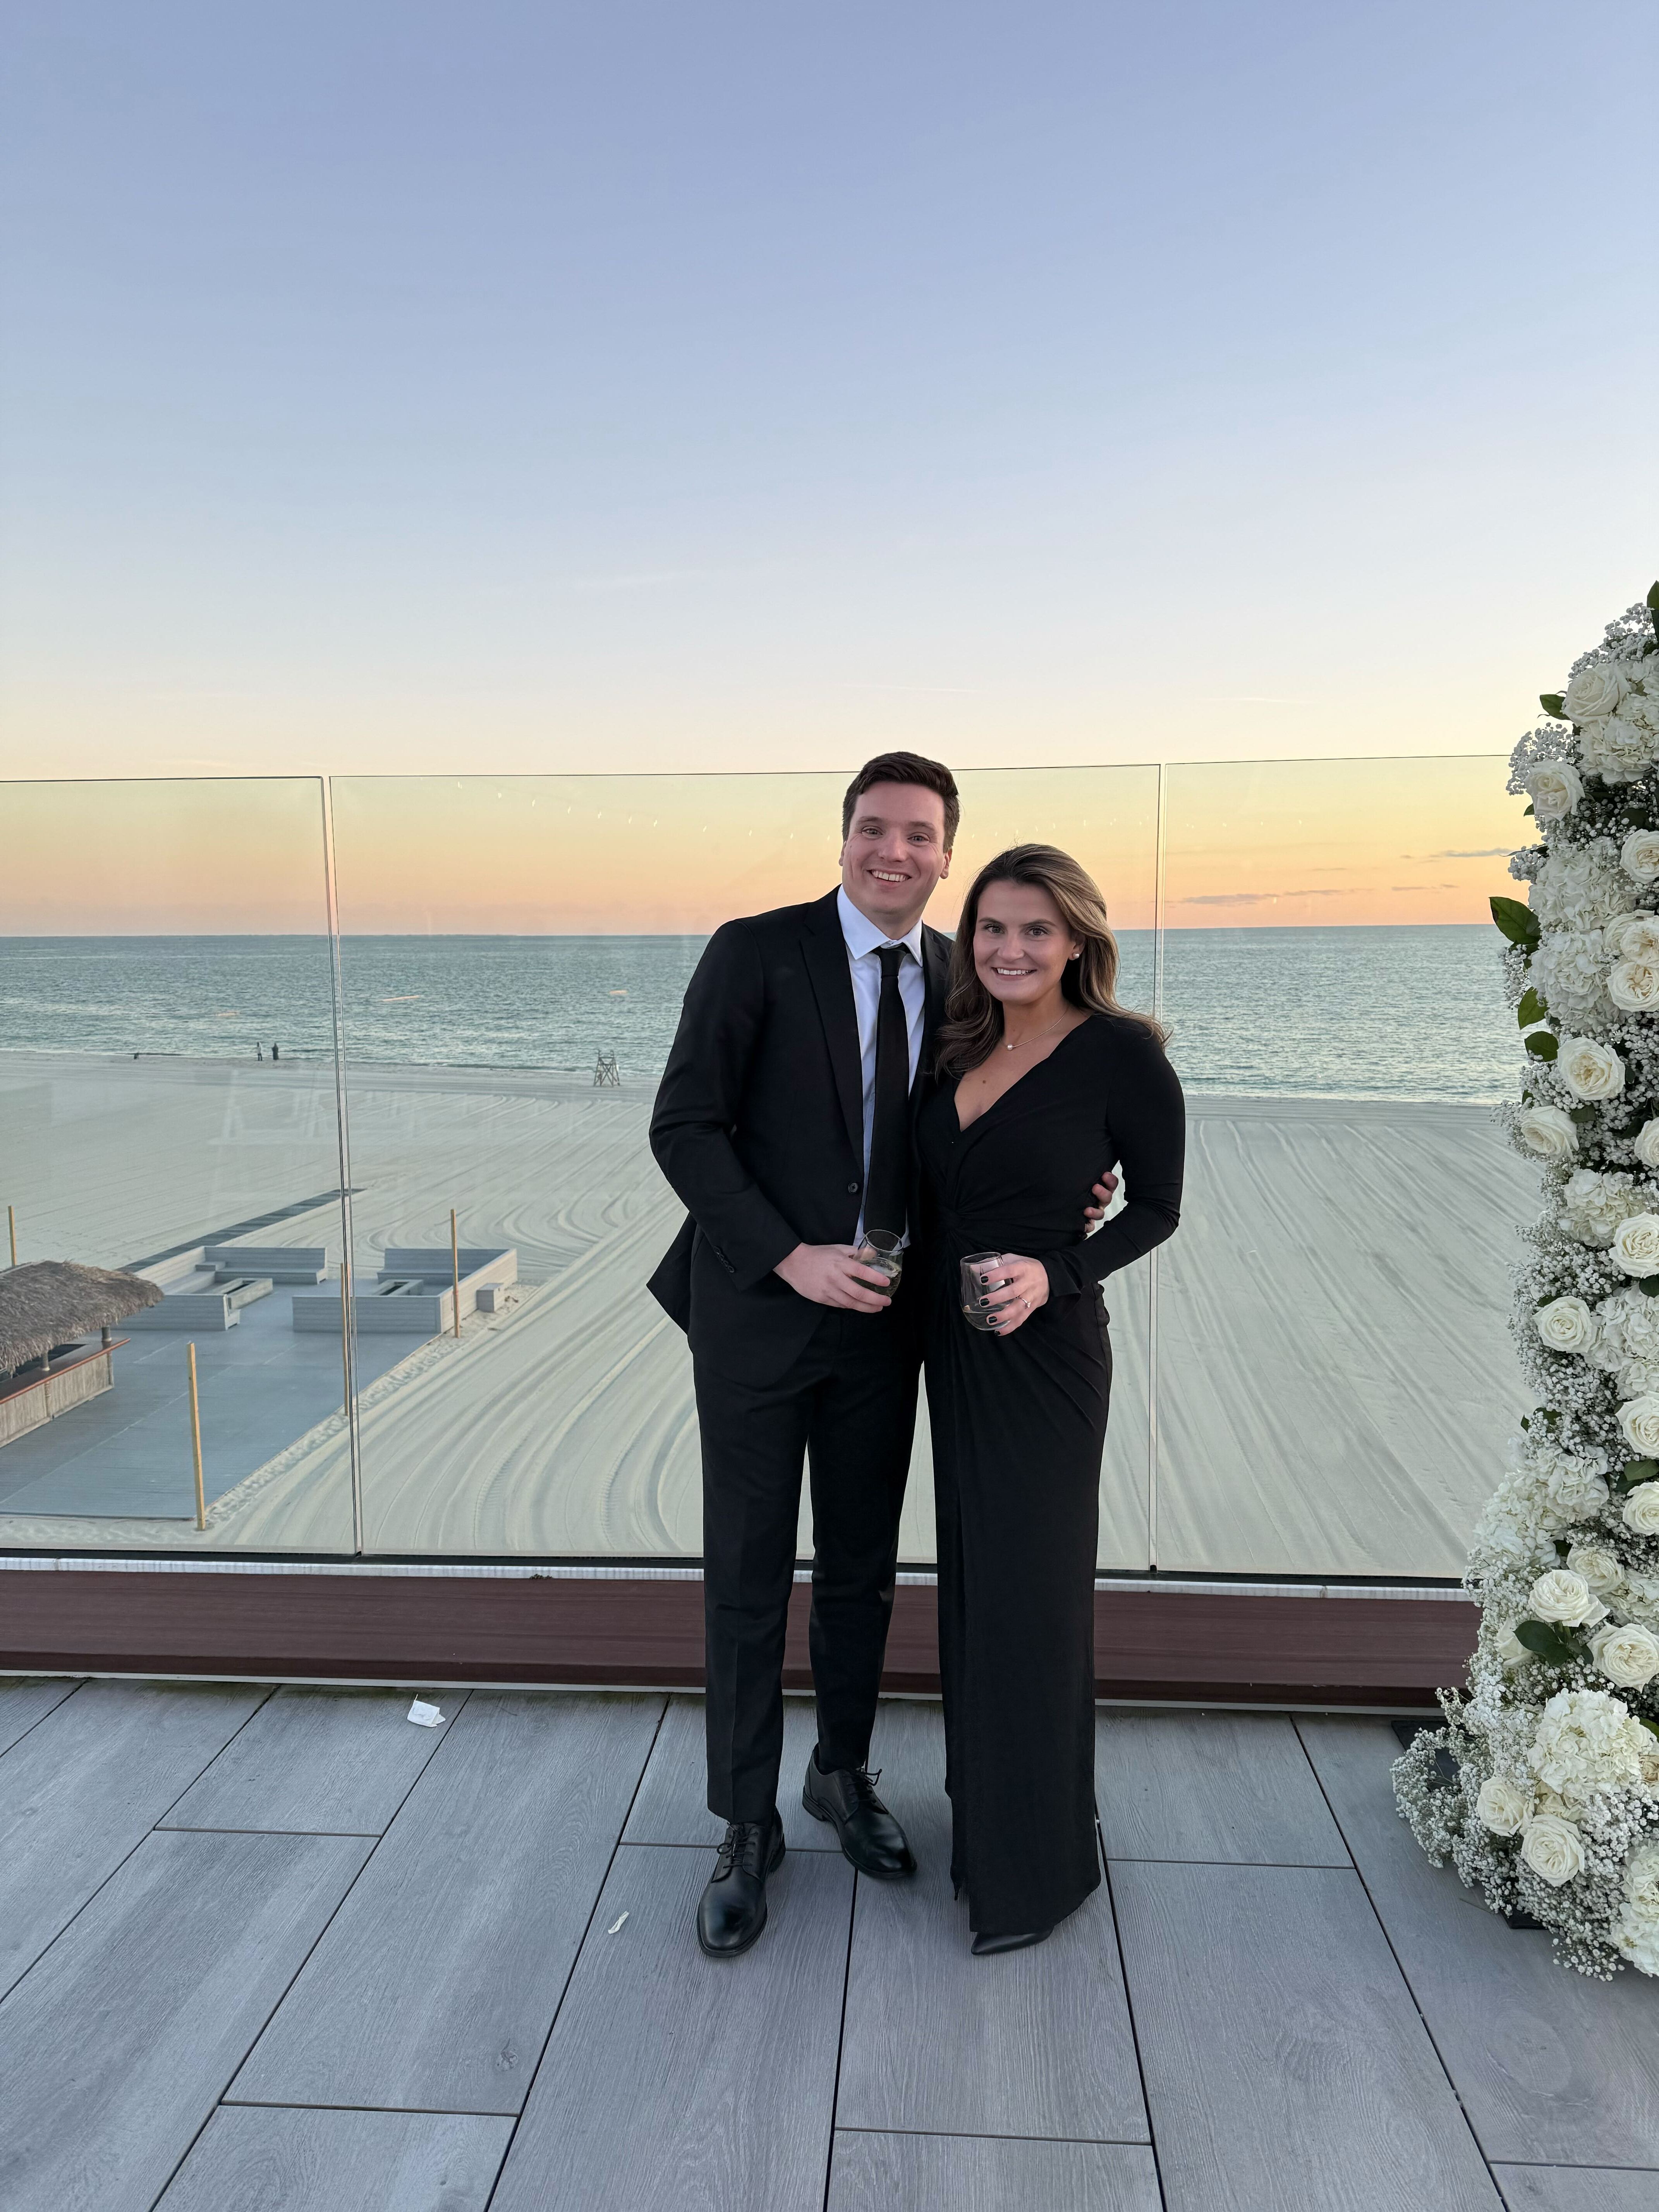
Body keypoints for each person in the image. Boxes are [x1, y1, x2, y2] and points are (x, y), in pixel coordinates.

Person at [649, 756, 1114, 1960]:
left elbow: (1008, 1116)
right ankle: (744, 1824)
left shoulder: (969, 978)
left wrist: (1080, 1183)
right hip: (758, 1318)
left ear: (946, 854)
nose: (892, 852)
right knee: (748, 1581)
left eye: (917, 835)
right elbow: (684, 1126)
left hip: (887, 1330)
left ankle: (838, 1774)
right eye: (873, 829)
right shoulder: (754, 952)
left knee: (860, 1571)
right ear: (844, 837)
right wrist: (786, 1258)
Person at [919, 843, 1183, 1956]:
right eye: (990, 928)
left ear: (1077, 937)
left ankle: (1038, 1869)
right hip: (947, 1343)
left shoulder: (1123, 1056)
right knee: (973, 1583)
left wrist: (1054, 1271)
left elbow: (1155, 1210)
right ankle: (985, 1830)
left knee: (1033, 1595)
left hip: (1047, 1354)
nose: (1010, 949)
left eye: (1034, 929)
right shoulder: (955, 1037)